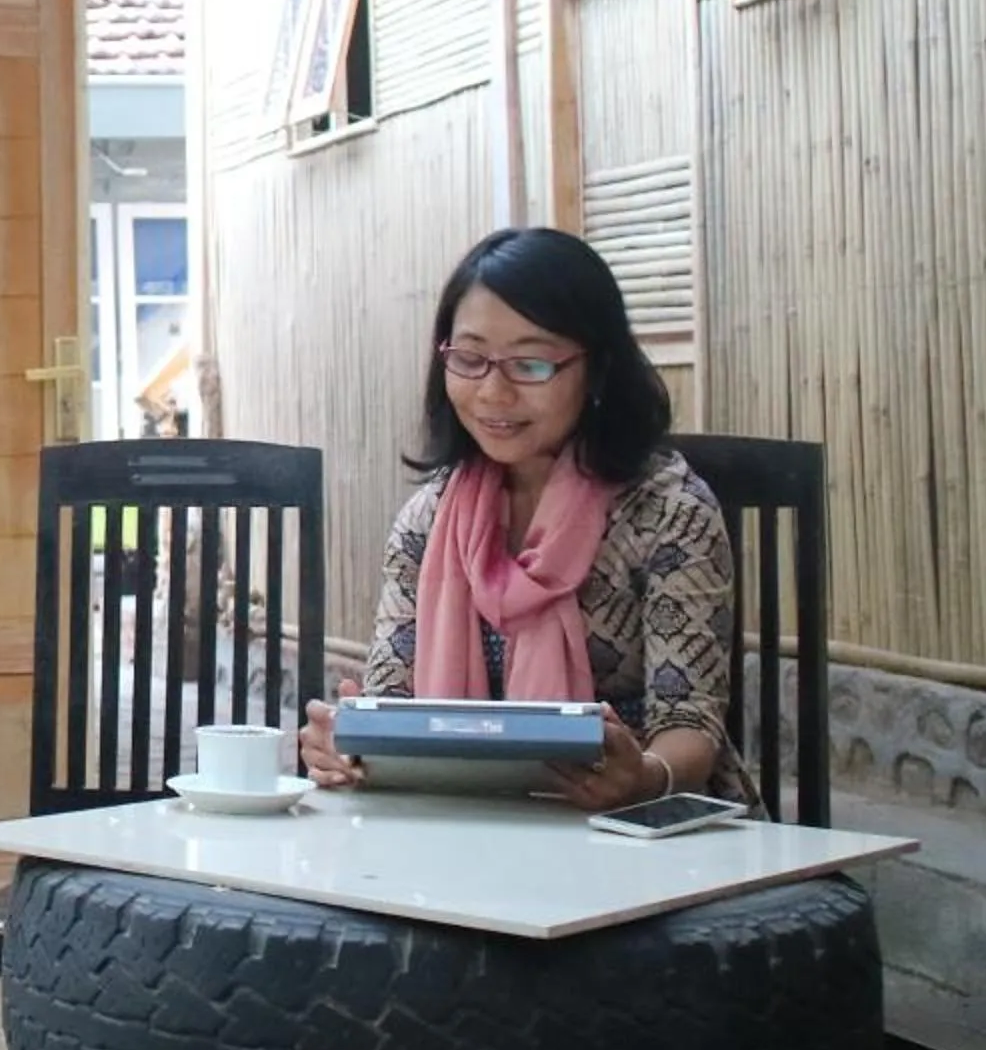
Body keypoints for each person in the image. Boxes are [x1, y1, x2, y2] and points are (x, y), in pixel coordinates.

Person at [299, 226, 745, 810]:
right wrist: (346, 744)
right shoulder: (428, 519)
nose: (492, 393)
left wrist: (647, 778)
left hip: (633, 828)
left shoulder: (668, 512)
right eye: (470, 358)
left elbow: (691, 723)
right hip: (457, 817)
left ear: (599, 370)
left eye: (530, 364)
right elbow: (393, 702)